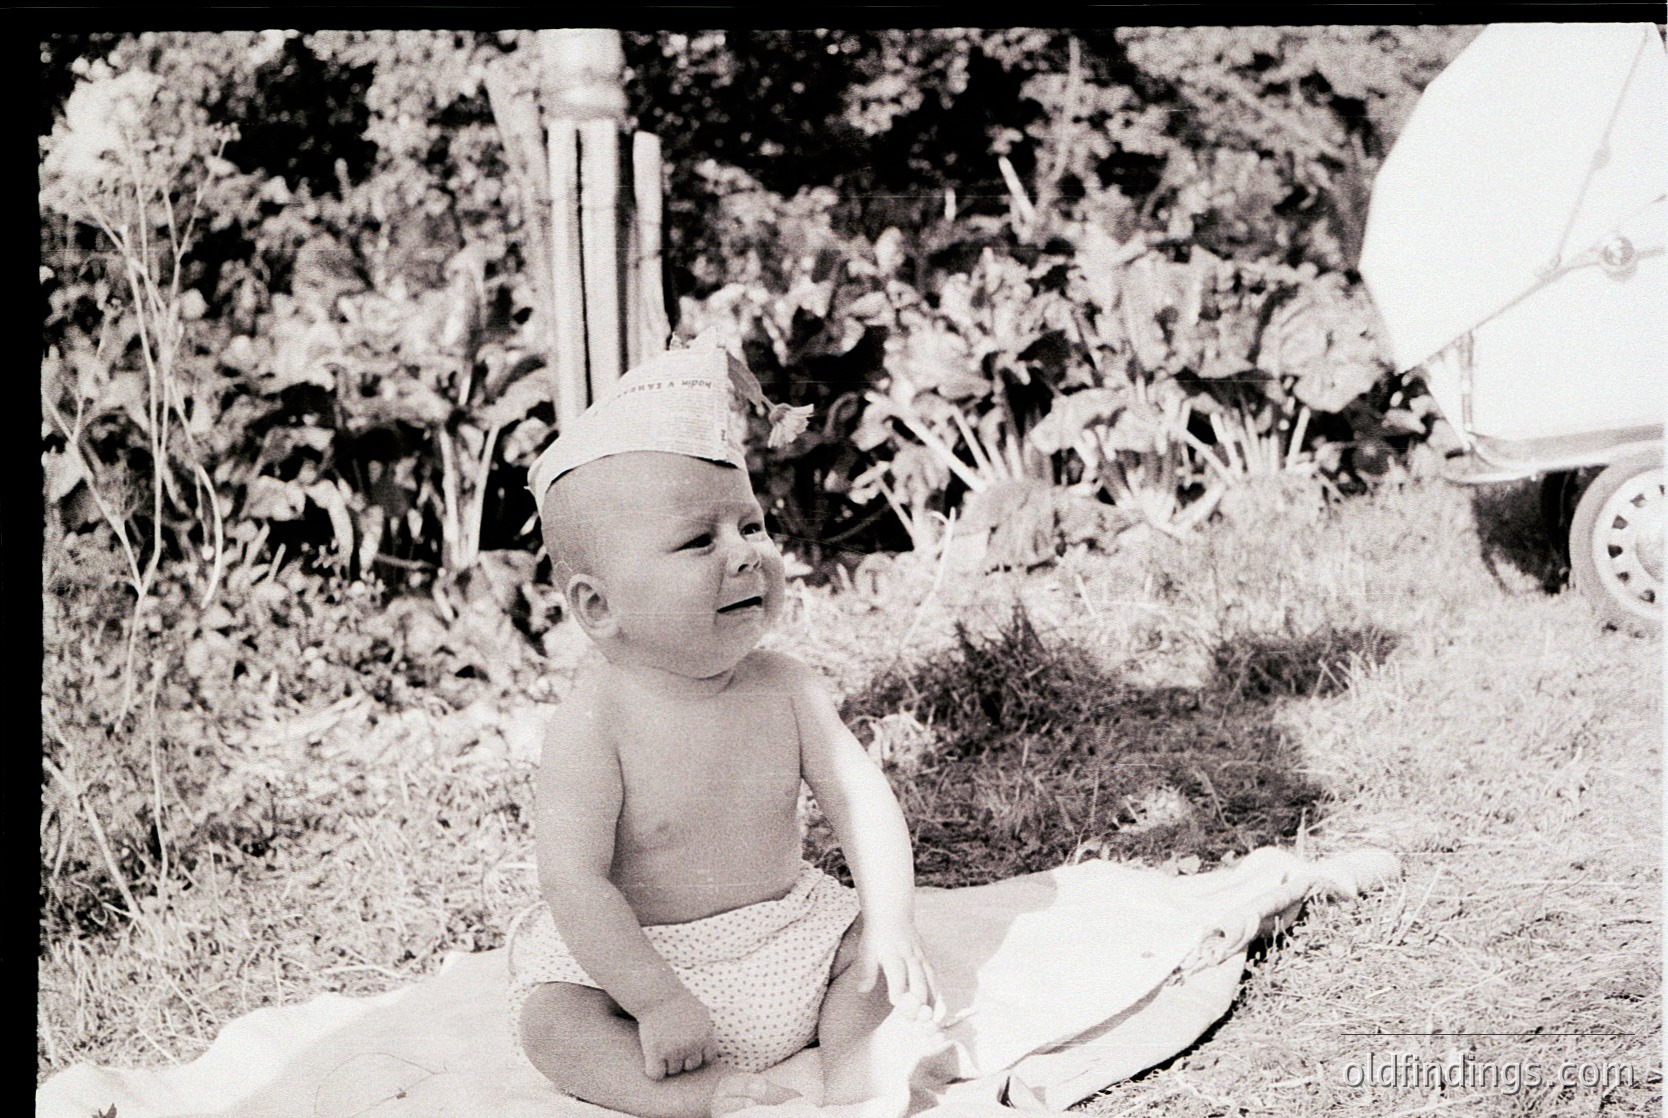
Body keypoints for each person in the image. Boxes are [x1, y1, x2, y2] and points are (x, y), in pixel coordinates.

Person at [507, 343, 943, 1118]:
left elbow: (860, 802)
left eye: (752, 525)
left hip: (790, 939)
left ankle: (854, 1068)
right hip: (647, 964)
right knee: (552, 1024)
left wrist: (890, 920)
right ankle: (708, 1096)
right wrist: (654, 999)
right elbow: (574, 881)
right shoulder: (592, 722)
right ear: (598, 606)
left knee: (871, 964)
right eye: (699, 541)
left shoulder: (787, 686)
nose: (747, 555)